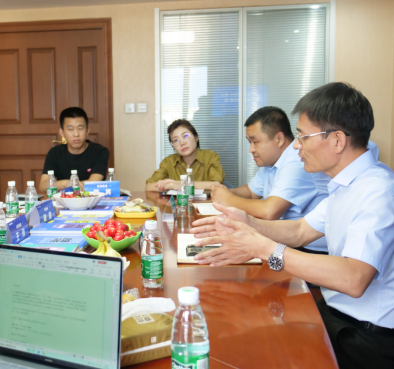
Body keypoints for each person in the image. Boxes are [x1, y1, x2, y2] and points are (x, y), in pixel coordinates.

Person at [190, 82, 394, 369]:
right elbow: (300, 231)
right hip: (337, 313)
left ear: (337, 140)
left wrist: (265, 248)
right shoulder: (345, 183)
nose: (296, 145)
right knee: (242, 326)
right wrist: (248, 223)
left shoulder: (377, 190)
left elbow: (354, 278)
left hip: (367, 338)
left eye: (303, 136)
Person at [210, 107, 328, 253]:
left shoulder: (297, 160)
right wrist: (226, 192)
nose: (251, 149)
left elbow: (269, 211)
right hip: (286, 239)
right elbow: (251, 192)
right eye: (249, 143)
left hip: (308, 248)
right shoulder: (271, 161)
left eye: (255, 142)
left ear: (279, 139)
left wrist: (228, 199)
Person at [39, 107, 109, 192]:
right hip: (64, 202)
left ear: (87, 131)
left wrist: (68, 185)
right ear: (62, 133)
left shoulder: (100, 152)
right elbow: (42, 186)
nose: (76, 134)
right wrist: (65, 183)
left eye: (80, 129)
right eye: (70, 129)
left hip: (92, 201)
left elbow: (93, 183)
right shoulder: (54, 153)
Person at [145, 119, 224, 192]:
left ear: (196, 137)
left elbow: (216, 185)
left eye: (185, 136)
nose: (182, 143)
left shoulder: (210, 157)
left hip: (207, 204)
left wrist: (179, 184)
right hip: (178, 205)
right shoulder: (168, 161)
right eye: (176, 140)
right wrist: (172, 185)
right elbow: (148, 187)